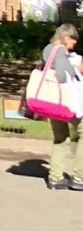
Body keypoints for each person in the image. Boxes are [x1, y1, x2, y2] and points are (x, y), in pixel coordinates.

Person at [42, 23, 83, 190]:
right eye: (73, 41)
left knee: (60, 138)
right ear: (66, 37)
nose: (74, 45)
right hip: (65, 100)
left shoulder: (47, 49)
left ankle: (55, 177)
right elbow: (61, 74)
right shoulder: (60, 50)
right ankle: (79, 177)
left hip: (52, 101)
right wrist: (76, 71)